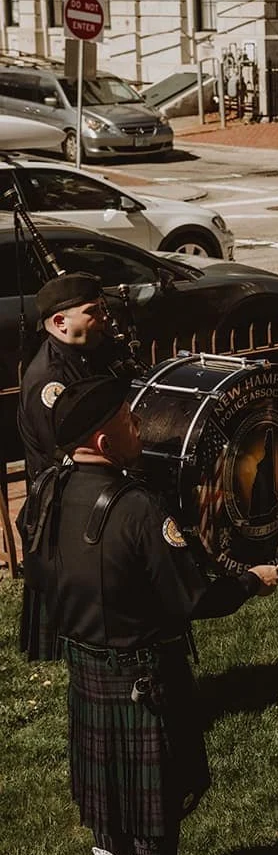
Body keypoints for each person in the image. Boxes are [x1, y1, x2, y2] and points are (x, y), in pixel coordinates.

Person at [20, 377, 278, 855]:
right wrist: (252, 580)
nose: (137, 422)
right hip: (143, 676)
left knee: (103, 791)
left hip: (87, 669)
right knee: (151, 799)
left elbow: (36, 568)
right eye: (125, 417)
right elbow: (192, 598)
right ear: (102, 438)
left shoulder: (47, 488)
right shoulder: (137, 508)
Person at [16, 272, 132, 662]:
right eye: (92, 311)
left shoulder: (88, 354)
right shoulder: (49, 380)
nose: (103, 317)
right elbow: (67, 454)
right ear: (61, 322)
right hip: (65, 501)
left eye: (102, 308)